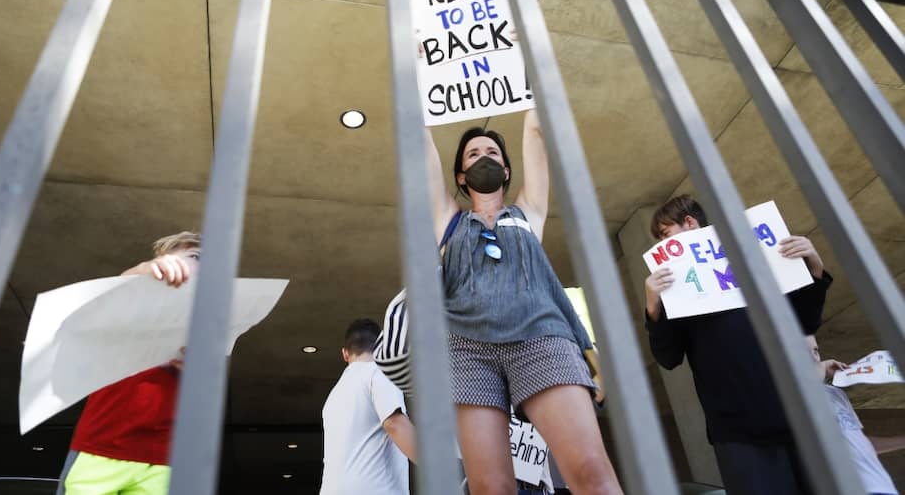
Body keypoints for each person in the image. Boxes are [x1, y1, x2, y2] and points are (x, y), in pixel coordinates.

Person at [425, 109, 622, 495]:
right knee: (490, 487)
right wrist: (420, 96)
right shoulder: (448, 220)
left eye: (492, 152)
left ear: (506, 170)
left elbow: (535, 131)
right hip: (468, 352)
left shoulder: (528, 211)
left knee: (590, 471)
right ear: (461, 176)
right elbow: (420, 146)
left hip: (541, 338)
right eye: (473, 154)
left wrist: (528, 81)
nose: (483, 157)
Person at [643, 195, 832, 495]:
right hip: (738, 432)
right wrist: (654, 307)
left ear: (689, 223)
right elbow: (668, 357)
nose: (663, 247)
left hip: (799, 415)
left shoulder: (755, 262)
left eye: (666, 235)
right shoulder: (678, 292)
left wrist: (814, 266)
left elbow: (806, 322)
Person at [61, 231, 201, 495]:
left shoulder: (204, 326)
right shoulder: (131, 301)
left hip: (164, 458)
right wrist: (144, 270)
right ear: (165, 256)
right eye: (196, 256)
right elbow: (105, 298)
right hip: (101, 448)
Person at [320, 318, 416, 495]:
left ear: (345, 354)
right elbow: (394, 424)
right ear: (380, 348)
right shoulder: (379, 373)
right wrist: (439, 466)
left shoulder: (332, 398)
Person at [805, 335, 903, 495]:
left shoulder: (836, 394)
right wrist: (820, 370)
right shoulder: (789, 396)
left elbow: (861, 444)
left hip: (882, 488)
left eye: (815, 351)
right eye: (803, 351)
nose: (814, 358)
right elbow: (803, 391)